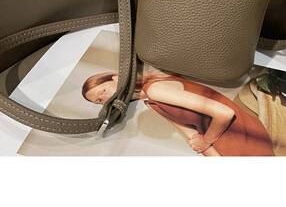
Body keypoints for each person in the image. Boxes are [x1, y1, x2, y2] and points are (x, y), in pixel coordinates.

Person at [82, 64, 273, 156]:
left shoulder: (155, 89)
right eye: (99, 101)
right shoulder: (150, 100)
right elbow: (191, 136)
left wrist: (205, 141)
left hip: (238, 133)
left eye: (103, 92)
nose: (104, 99)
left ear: (115, 78)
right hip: (224, 138)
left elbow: (224, 113)